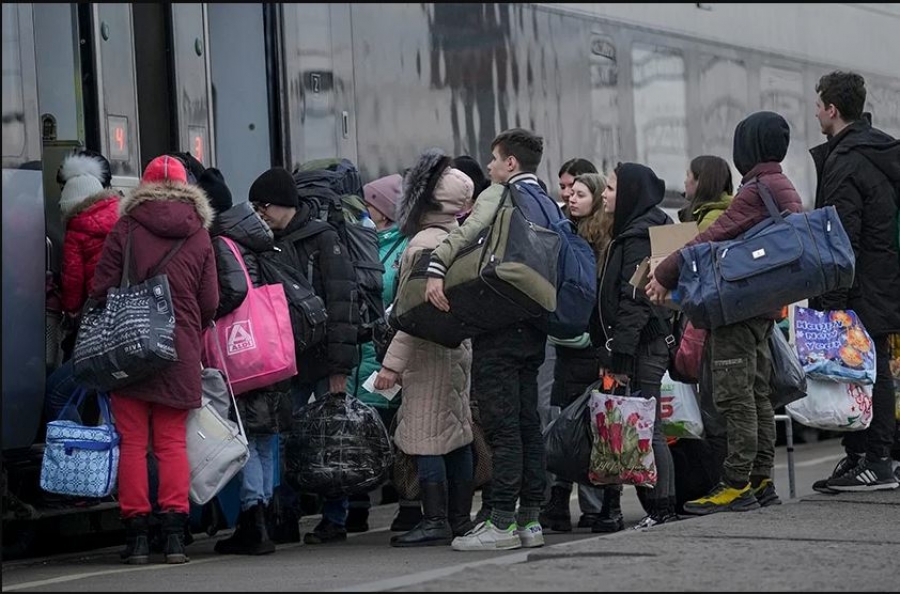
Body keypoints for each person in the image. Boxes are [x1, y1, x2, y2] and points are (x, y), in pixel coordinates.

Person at [647, 111, 804, 514]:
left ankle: (736, 484)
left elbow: (712, 236)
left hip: (739, 309)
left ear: (746, 147)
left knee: (736, 398)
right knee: (757, 395)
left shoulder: (757, 189)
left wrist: (665, 271)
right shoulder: (781, 185)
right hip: (762, 308)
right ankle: (760, 478)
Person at [425, 128, 557, 551]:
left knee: (503, 430)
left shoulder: (499, 193)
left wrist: (436, 267)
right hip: (536, 324)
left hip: (499, 322)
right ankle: (529, 520)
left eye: (495, 160)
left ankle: (500, 523)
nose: (490, 168)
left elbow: (467, 233)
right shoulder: (548, 203)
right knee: (527, 424)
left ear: (511, 164)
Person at [90, 155, 219, 564]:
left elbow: (101, 286)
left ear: (141, 186)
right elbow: (210, 301)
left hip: (129, 347)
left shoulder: (126, 227)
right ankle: (176, 535)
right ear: (187, 187)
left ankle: (138, 538)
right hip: (178, 351)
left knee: (132, 444)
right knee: (170, 444)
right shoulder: (198, 234)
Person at [248, 167, 359, 544]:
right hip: (284, 358)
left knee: (332, 438)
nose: (260, 212)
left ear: (284, 205)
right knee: (284, 437)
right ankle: (287, 513)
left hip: (323, 358)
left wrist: (340, 367)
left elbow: (344, 303)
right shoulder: (264, 241)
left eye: (264, 206)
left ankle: (335, 518)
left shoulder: (323, 239)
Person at [374, 149, 476, 547]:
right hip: (456, 350)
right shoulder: (460, 237)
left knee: (426, 435)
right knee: (457, 433)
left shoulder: (421, 245)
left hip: (426, 353)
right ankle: (459, 518)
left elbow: (411, 314)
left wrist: (391, 366)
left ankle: (435, 519)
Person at [807, 71, 900, 492]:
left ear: (832, 109)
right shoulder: (872, 149)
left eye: (818, 104)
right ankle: (862, 454)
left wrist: (832, 299)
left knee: (869, 367)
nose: (816, 112)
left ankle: (878, 460)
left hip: (861, 280)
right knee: (863, 365)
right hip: (879, 275)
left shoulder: (847, 160)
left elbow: (841, 235)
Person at [201, 168, 285, 556]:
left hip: (242, 353)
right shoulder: (252, 236)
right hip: (266, 348)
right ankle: (265, 512)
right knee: (264, 435)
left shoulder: (221, 241)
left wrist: (207, 313)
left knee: (249, 435)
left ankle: (253, 519)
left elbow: (233, 291)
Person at [592, 162, 677, 529]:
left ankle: (662, 507)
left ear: (628, 193)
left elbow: (635, 300)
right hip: (645, 343)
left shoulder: (639, 236)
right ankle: (660, 506)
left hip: (643, 346)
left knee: (649, 426)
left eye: (610, 188)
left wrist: (619, 355)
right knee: (647, 424)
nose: (604, 195)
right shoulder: (646, 229)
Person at [540, 171, 622, 533]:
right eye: (570, 193)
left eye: (581, 193)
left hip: (589, 347)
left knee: (592, 427)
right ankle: (560, 502)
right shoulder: (566, 234)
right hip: (568, 348)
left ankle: (593, 506)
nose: (571, 198)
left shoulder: (602, 241)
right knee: (565, 426)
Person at [344, 173, 420, 533]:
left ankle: (409, 502)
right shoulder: (361, 243)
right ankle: (357, 504)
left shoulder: (406, 248)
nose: (363, 210)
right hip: (363, 356)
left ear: (386, 211)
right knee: (362, 433)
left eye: (370, 204)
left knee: (399, 432)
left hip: (391, 355)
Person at [44, 152, 120, 424]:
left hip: (98, 327)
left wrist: (71, 312)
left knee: (55, 393)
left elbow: (74, 283)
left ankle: (76, 453)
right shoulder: (123, 219)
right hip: (125, 326)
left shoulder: (77, 228)